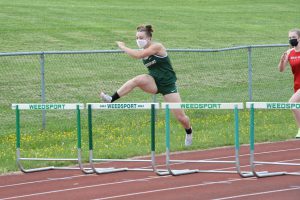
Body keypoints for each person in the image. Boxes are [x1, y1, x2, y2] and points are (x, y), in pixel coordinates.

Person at [100, 24, 193, 146]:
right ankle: (111, 98)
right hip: (153, 82)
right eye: (137, 38)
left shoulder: (157, 47)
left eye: (141, 38)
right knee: (138, 79)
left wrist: (122, 46)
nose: (139, 40)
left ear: (149, 38)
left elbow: (137, 55)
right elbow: (138, 53)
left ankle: (189, 132)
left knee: (181, 118)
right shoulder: (143, 50)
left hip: (168, 85)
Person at [278, 28, 300, 138]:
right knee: (295, 106)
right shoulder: (289, 53)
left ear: (299, 38)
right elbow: (281, 70)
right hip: (297, 85)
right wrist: (282, 61)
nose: (291, 39)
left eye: (293, 37)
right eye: (289, 38)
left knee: (292, 103)